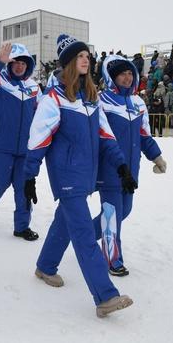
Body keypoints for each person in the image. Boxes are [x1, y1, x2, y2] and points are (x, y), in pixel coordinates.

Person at [24, 34, 135, 318]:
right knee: (84, 234)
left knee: (64, 223)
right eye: (81, 56)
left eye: (88, 56)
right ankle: (105, 296)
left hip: (85, 176)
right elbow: (38, 139)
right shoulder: (54, 99)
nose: (86, 60)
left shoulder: (91, 98)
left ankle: (45, 266)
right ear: (70, 63)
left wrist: (121, 166)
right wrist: (29, 176)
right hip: (66, 175)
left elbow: (106, 136)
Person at [94, 55, 167, 275]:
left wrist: (156, 156)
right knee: (111, 214)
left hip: (130, 171)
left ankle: (82, 235)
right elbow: (99, 136)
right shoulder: (101, 100)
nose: (126, 78)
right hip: (108, 169)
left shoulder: (138, 103)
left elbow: (144, 135)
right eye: (122, 74)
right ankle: (112, 260)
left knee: (124, 210)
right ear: (112, 77)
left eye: (129, 74)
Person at [0, 42, 41, 241]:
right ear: (9, 64)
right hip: (1, 144)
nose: (19, 66)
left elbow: (43, 115)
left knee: (23, 186)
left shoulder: (34, 88)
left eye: (23, 63)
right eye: (15, 62)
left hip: (25, 148)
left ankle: (22, 226)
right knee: (0, 181)